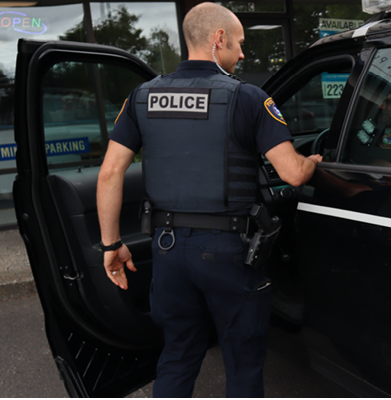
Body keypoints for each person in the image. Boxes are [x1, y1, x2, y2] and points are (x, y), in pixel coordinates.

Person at [95, 3, 321, 397]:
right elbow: (292, 174)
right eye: (240, 44)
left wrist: (112, 245)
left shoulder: (142, 97)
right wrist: (315, 159)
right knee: (242, 360)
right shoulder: (248, 98)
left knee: (179, 352)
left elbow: (110, 172)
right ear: (219, 40)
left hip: (168, 250)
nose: (243, 54)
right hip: (229, 252)